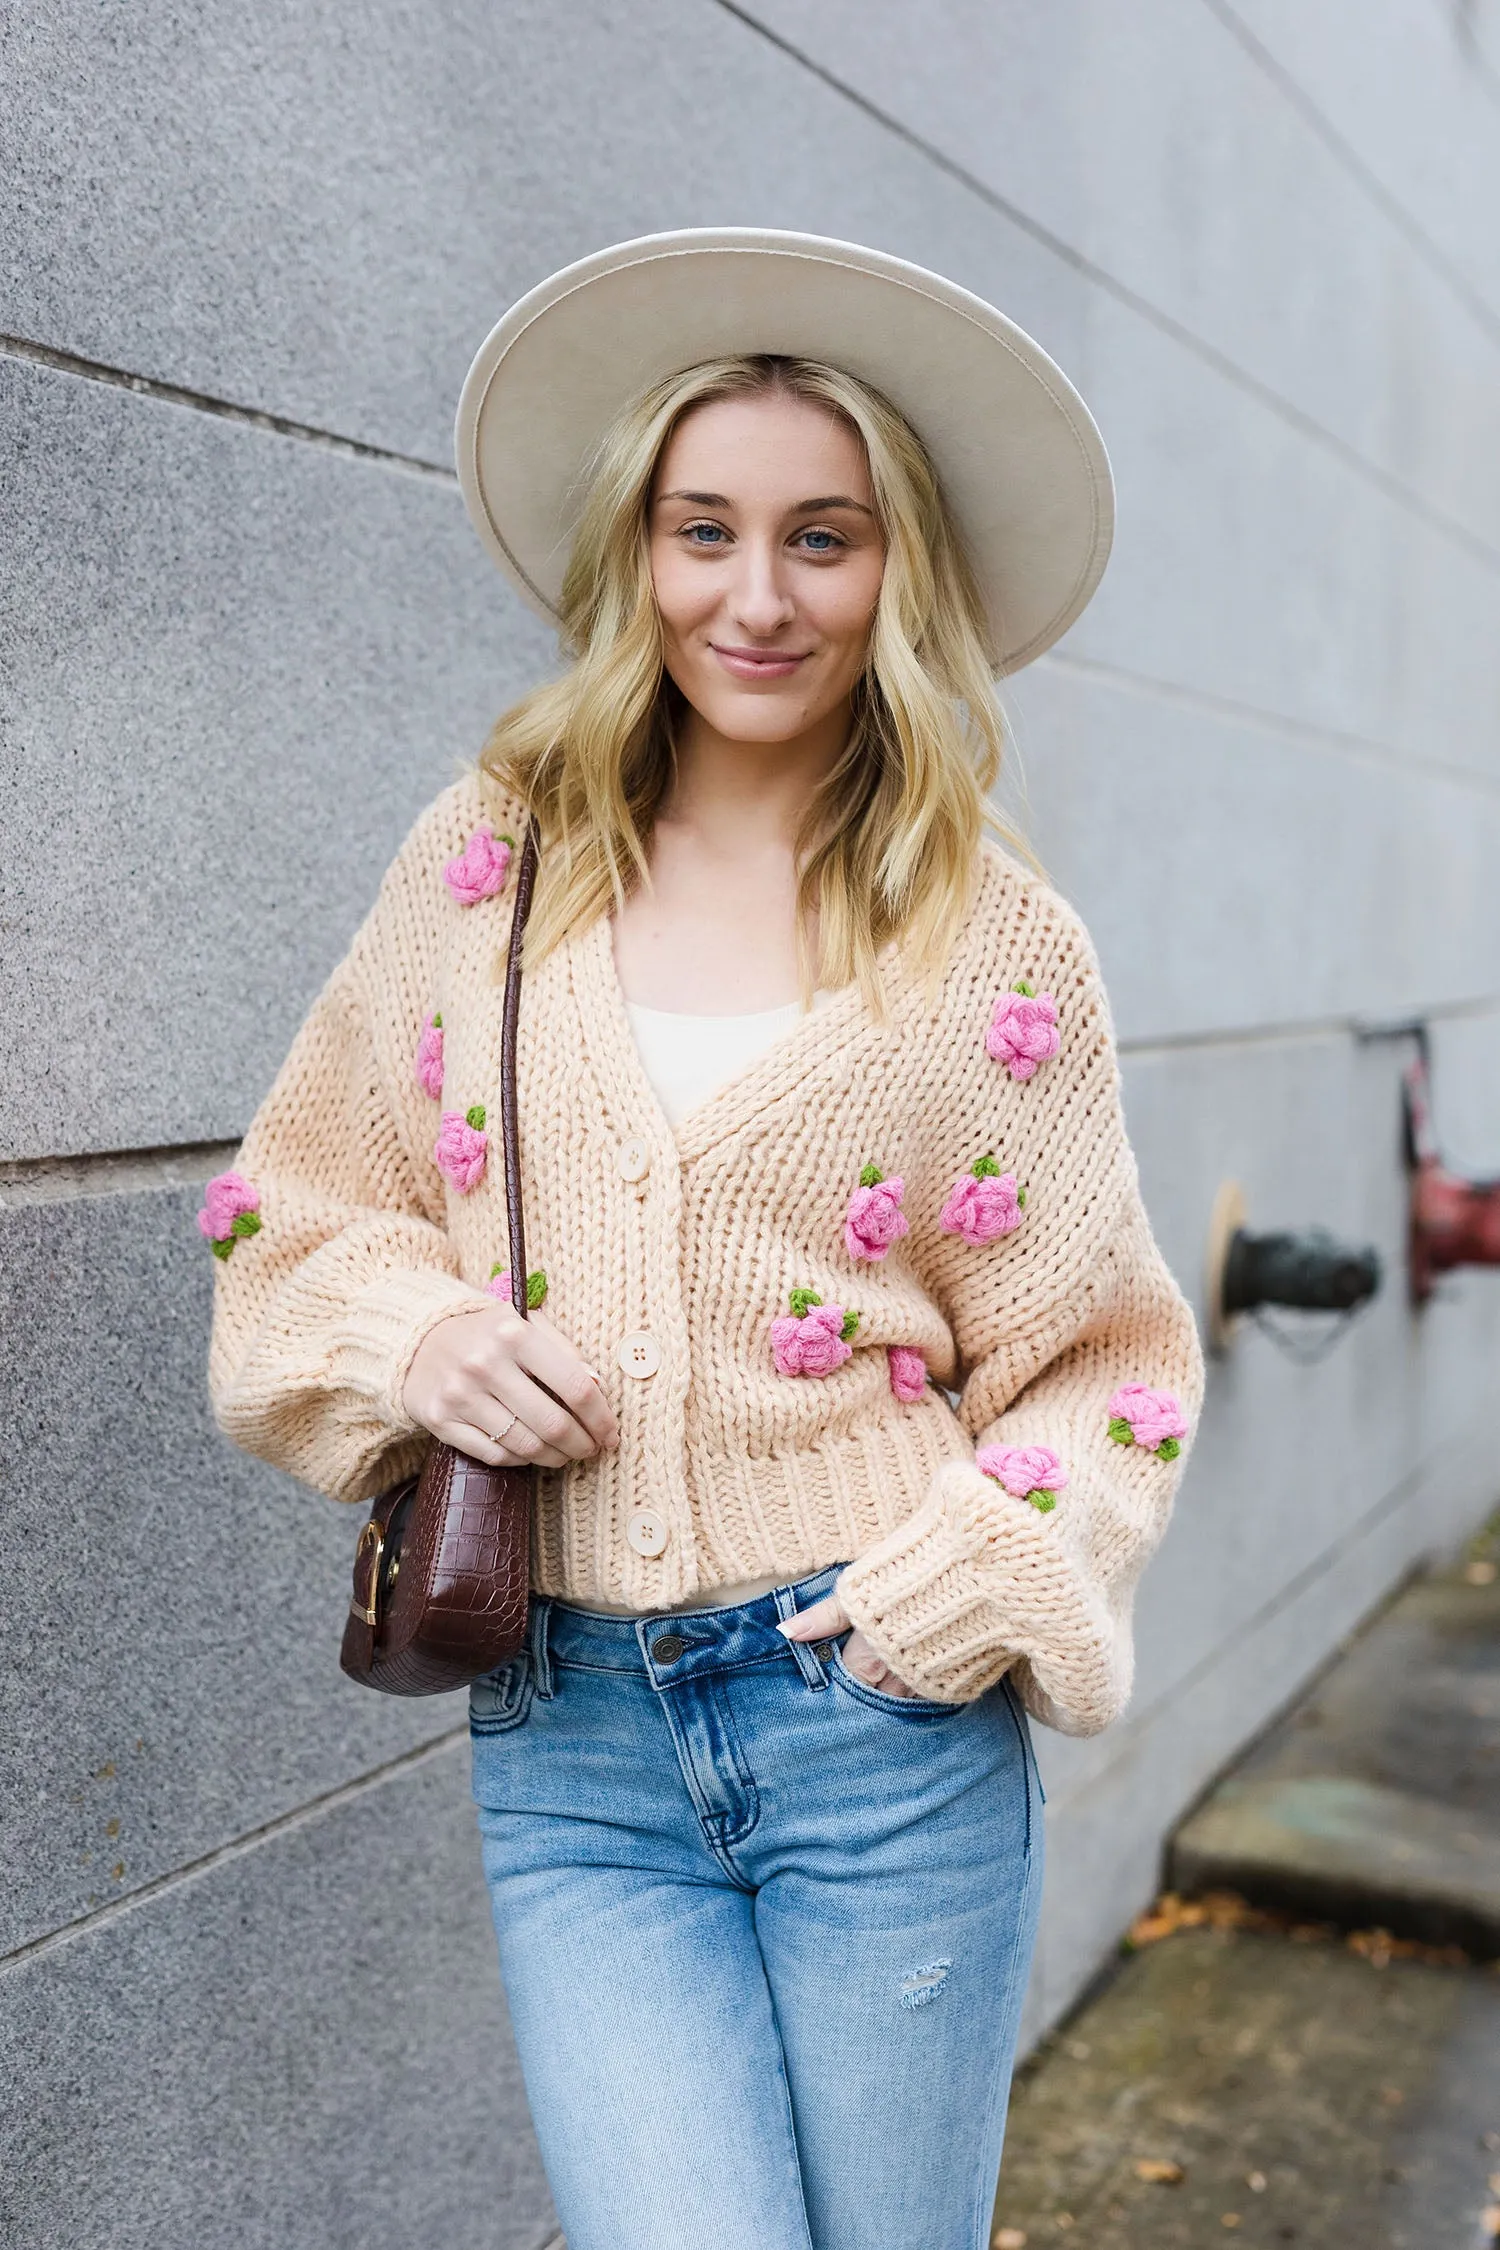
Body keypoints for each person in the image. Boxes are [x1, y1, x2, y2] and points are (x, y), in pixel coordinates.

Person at [205, 229, 1204, 2250]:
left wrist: (980, 1572)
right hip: (563, 1737)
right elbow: (297, 1206)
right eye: (706, 531)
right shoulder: (498, 850)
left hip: (876, 1726)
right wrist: (408, 1338)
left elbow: (1109, 1364)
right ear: (636, 549)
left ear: (895, 571)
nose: (757, 598)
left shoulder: (994, 944)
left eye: (821, 539)